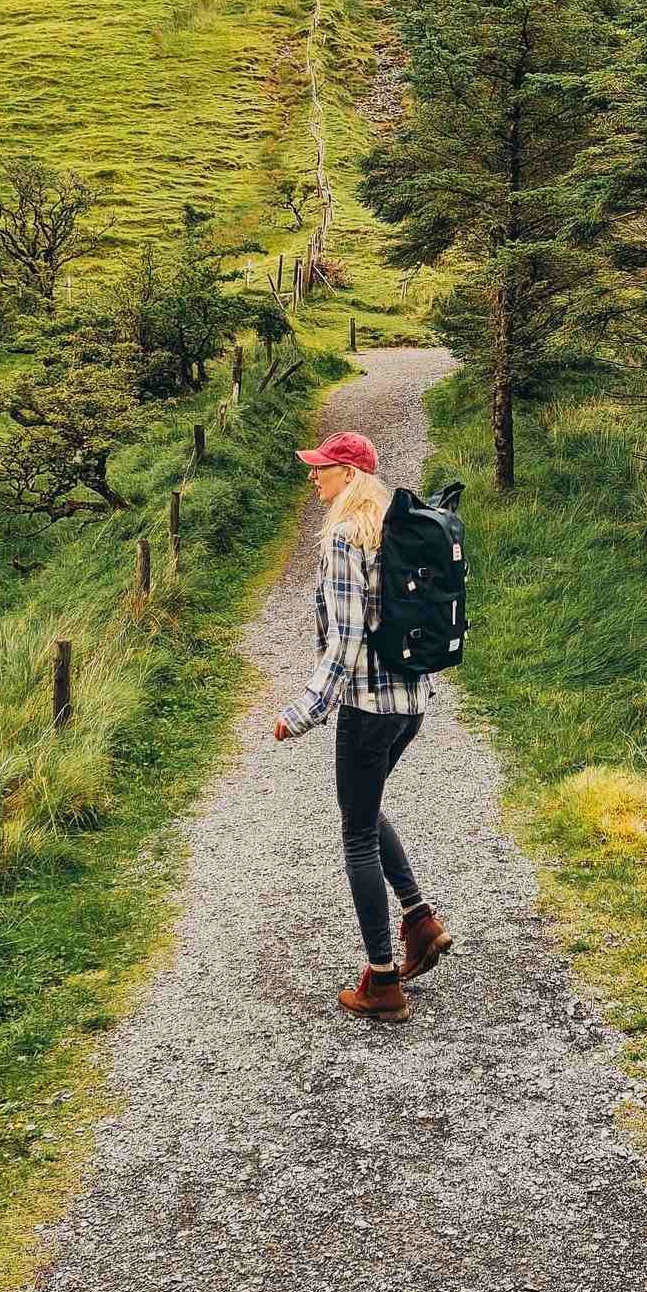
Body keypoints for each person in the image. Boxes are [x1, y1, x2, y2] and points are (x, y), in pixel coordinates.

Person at [273, 429, 453, 1022]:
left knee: (355, 833)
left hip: (368, 710)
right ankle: (420, 921)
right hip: (411, 707)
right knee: (367, 808)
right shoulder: (397, 526)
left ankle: (381, 981)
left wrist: (301, 713)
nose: (313, 476)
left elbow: (345, 642)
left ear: (350, 474)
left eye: (323, 467)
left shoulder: (347, 537)